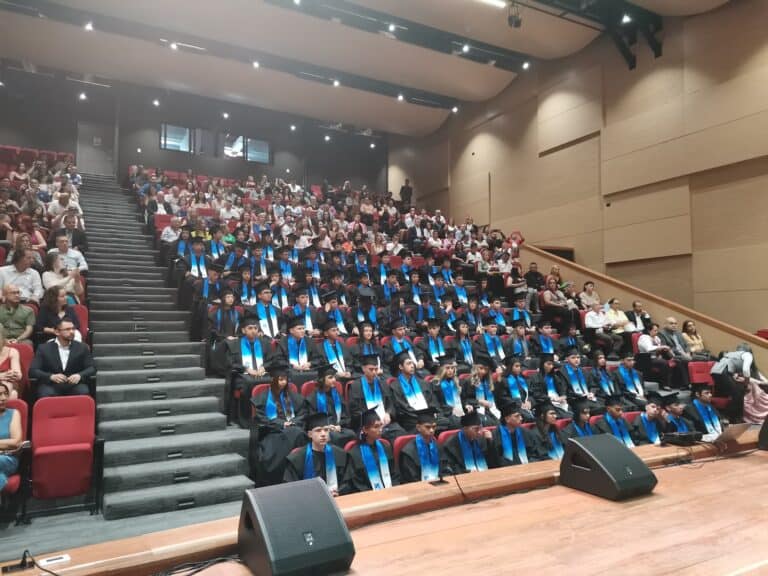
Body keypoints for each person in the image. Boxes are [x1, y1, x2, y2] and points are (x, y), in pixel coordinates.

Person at [250, 361, 306, 485]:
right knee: (296, 434)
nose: (283, 382)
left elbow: (302, 413)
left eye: (285, 379)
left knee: (297, 432)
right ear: (274, 380)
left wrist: (292, 422)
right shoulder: (263, 398)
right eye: (280, 379)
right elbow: (261, 419)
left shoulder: (292, 396)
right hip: (272, 433)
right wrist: (281, 424)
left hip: (292, 430)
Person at [283, 412, 353, 496]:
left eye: (326, 430)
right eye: (318, 430)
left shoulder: (340, 455)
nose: (323, 434)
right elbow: (291, 487)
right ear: (310, 434)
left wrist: (339, 492)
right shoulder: (297, 459)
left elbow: (348, 482)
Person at [225, 313, 274, 425]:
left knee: (273, 381)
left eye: (256, 328)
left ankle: (268, 416)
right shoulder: (235, 344)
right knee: (248, 382)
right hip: (242, 375)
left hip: (262, 374)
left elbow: (272, 360)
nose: (253, 331)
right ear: (243, 330)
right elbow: (230, 363)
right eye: (250, 328)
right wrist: (246, 369)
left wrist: (264, 367)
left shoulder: (265, 343)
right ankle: (247, 419)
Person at [29, 317, 96, 398]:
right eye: (67, 329)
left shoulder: (82, 347)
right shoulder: (44, 348)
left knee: (83, 392)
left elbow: (92, 368)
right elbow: (33, 370)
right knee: (45, 394)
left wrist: (80, 375)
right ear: (57, 332)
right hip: (51, 384)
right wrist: (50, 376)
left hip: (74, 384)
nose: (71, 332)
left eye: (73, 329)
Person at [347, 355, 405, 442]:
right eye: (371, 369)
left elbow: (391, 404)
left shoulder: (383, 384)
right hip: (367, 425)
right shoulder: (355, 386)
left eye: (376, 369)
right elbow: (354, 411)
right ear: (363, 369)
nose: (374, 372)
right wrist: (371, 421)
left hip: (385, 423)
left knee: (401, 434)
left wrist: (388, 413)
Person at [347, 407, 400, 492]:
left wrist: (394, 490)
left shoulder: (386, 446)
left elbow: (394, 474)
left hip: (391, 493)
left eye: (380, 425)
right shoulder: (354, 453)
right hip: (368, 497)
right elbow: (357, 483)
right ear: (365, 430)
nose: (380, 430)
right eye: (376, 427)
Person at [302, 364, 356, 447]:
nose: (334, 380)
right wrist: (327, 427)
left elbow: (345, 416)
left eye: (334, 377)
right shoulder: (313, 398)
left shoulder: (336, 395)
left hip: (337, 427)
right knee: (334, 437)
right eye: (330, 377)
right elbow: (312, 420)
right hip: (322, 429)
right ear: (322, 379)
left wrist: (339, 425)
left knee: (351, 434)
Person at [390, 351, 439, 433]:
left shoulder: (423, 383)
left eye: (412, 363)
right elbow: (403, 408)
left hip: (428, 417)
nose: (412, 366)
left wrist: (429, 413)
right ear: (401, 367)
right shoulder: (395, 386)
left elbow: (431, 401)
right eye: (409, 363)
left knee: (445, 422)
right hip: (411, 420)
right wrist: (421, 416)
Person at [711, 343, 761, 424]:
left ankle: (734, 417)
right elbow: (745, 370)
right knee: (738, 394)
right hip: (723, 372)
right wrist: (746, 383)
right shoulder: (748, 355)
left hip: (714, 371)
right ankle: (728, 416)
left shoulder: (732, 354)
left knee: (736, 393)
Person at [489, 399, 548, 467]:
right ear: (507, 419)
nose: (521, 418)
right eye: (517, 416)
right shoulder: (496, 435)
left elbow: (534, 454)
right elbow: (495, 461)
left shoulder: (526, 433)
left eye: (520, 416)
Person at [398, 409, 450, 483]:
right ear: (418, 427)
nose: (432, 430)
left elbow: (446, 470)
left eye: (434, 427)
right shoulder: (408, 451)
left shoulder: (437, 446)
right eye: (428, 427)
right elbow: (411, 479)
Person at [277, 316, 319, 387]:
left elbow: (318, 358)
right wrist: (293, 366)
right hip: (290, 370)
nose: (302, 331)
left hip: (307, 370)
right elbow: (278, 360)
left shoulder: (309, 341)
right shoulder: (283, 342)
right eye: (299, 329)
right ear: (291, 331)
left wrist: (309, 363)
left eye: (303, 328)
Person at [558, 349, 603, 414]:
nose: (576, 360)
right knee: (597, 409)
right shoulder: (562, 373)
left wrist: (591, 393)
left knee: (605, 406)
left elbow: (593, 385)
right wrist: (581, 395)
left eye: (578, 357)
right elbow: (564, 391)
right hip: (575, 400)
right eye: (573, 357)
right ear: (567, 359)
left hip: (588, 398)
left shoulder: (584, 371)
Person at [461, 354, 501, 427]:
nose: (483, 372)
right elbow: (464, 400)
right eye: (481, 368)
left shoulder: (489, 382)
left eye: (486, 369)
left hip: (490, 409)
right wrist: (479, 401)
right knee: (488, 423)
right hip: (476, 410)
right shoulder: (468, 382)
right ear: (475, 368)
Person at [0, 380, 22, 491]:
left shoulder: (14, 413)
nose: (3, 398)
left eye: (5, 394)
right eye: (0, 394)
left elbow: (16, 442)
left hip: (8, 458)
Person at [432, 353, 464, 430]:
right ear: (441, 369)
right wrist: (451, 410)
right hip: (445, 414)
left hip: (459, 411)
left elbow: (463, 399)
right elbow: (436, 404)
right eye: (447, 368)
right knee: (457, 422)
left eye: (452, 368)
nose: (450, 370)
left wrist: (466, 406)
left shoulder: (456, 382)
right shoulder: (436, 384)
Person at [497, 358, 534, 422]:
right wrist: (519, 403)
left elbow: (531, 393)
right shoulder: (503, 381)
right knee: (528, 418)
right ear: (510, 367)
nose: (519, 368)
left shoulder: (524, 379)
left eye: (520, 366)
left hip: (527, 407)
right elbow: (503, 398)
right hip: (513, 408)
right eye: (516, 366)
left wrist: (530, 401)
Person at [0, 328, 22, 399]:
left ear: (3, 339)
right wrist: (1, 375)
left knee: (12, 392)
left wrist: (13, 374)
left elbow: (18, 375)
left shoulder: (12, 352)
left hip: (7, 383)